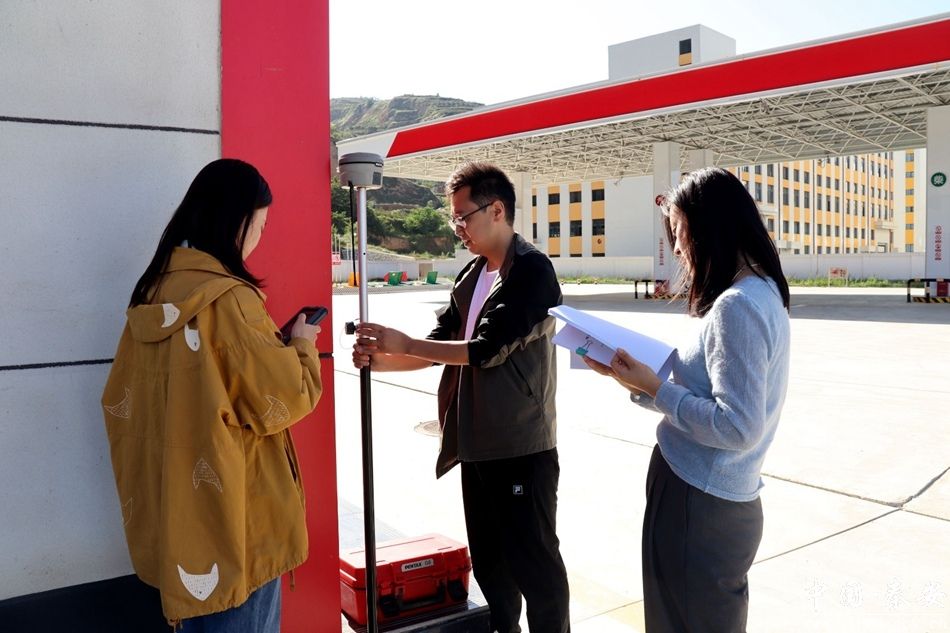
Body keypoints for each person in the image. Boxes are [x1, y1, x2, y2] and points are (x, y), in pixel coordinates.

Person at [101, 159, 323, 631]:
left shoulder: (153, 293)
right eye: (261, 224)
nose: (260, 236)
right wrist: (302, 344)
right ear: (238, 222)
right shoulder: (229, 299)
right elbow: (285, 399)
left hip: (176, 520)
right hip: (238, 522)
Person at [353, 162, 571, 633]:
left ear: (497, 210)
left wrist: (403, 343)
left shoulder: (531, 270)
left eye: (463, 217)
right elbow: (440, 347)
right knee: (491, 567)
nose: (457, 228)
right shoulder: (472, 275)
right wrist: (381, 361)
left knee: (535, 568)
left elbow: (484, 350)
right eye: (453, 218)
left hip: (520, 447)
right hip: (475, 445)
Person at [584, 167, 791, 632]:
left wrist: (657, 389)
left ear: (708, 227)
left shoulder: (738, 305)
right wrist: (640, 382)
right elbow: (709, 395)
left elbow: (737, 426)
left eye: (678, 231)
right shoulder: (762, 292)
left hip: (699, 501)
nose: (676, 248)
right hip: (711, 497)